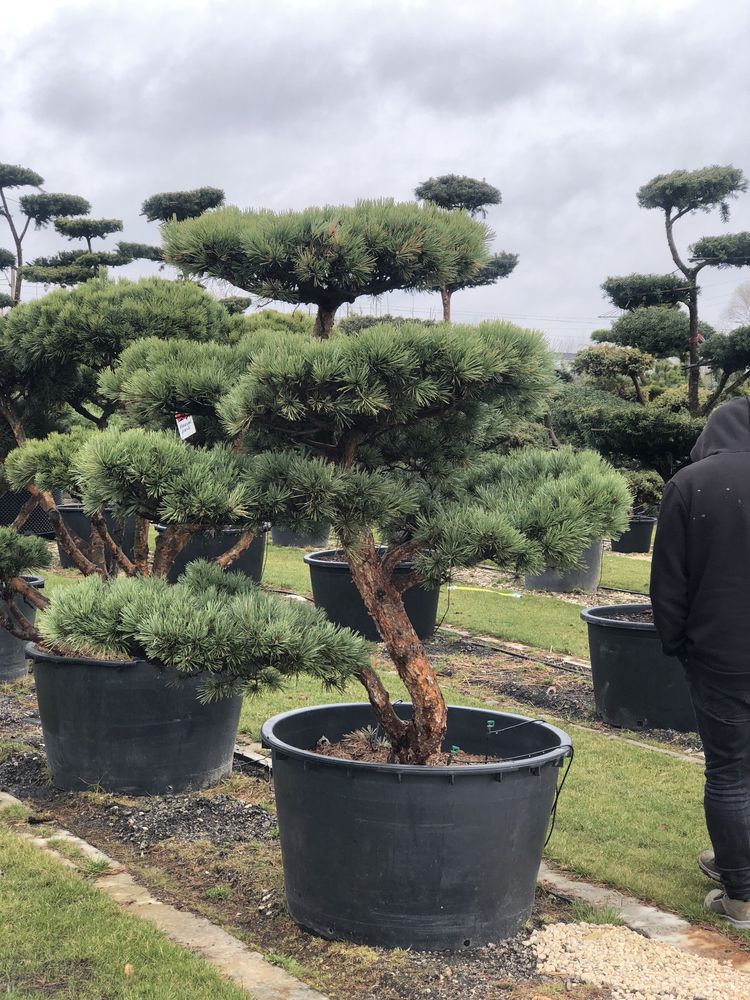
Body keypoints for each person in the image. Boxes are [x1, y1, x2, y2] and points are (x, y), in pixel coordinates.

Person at [650, 395, 750, 928]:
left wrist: (676, 643)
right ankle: (737, 860)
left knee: (731, 772)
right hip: (724, 651)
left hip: (721, 654)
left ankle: (742, 893)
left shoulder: (691, 484)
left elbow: (668, 581)